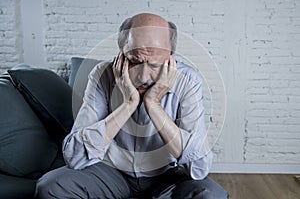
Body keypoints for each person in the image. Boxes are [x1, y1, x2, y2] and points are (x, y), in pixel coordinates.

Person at [35, 13, 228, 199]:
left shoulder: (187, 79)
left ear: (171, 56)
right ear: (121, 53)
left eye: (154, 65)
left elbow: (199, 167)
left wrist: (153, 104)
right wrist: (128, 104)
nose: (144, 78)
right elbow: (75, 156)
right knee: (50, 188)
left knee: (211, 195)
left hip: (166, 175)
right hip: (111, 172)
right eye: (134, 61)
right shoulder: (102, 74)